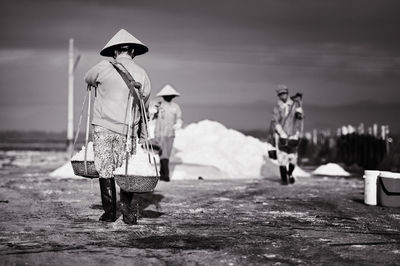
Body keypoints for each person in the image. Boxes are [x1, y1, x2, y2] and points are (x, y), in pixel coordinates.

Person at [84, 29, 151, 224]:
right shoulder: (142, 73)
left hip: (103, 127)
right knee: (125, 170)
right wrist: (143, 133)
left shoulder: (103, 67)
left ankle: (109, 213)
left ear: (114, 52)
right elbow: (144, 105)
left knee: (105, 169)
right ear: (132, 52)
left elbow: (87, 78)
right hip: (128, 130)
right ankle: (128, 212)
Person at [269, 85, 304, 185]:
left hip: (293, 135)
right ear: (278, 95)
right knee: (282, 158)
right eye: (280, 94)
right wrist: (281, 133)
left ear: (287, 93)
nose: (282, 95)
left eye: (284, 93)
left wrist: (299, 114)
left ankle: (290, 173)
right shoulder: (277, 107)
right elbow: (274, 121)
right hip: (281, 136)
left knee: (293, 158)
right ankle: (284, 180)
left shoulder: (295, 104)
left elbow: (299, 114)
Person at [149, 84, 183, 182]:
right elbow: (152, 115)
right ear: (163, 96)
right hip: (159, 133)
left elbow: (179, 118)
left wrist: (178, 124)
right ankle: (165, 175)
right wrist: (154, 111)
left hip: (170, 134)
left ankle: (163, 173)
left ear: (172, 97)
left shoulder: (175, 107)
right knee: (162, 153)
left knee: (165, 154)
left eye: (170, 96)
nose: (168, 98)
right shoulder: (159, 105)